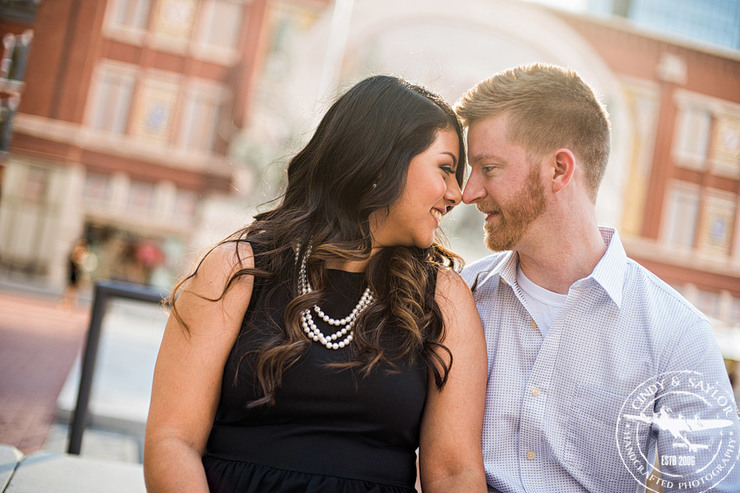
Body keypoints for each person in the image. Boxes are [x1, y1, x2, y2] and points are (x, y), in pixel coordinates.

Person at [144, 75, 488, 493]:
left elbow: (455, 473)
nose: (457, 194)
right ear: (381, 163)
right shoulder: (237, 270)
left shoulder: (443, 297)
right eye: (446, 168)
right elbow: (172, 442)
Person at [455, 63, 740, 493]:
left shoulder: (677, 334)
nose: (468, 191)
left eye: (489, 168)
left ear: (559, 170)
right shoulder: (461, 296)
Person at [62, 238, 88, 309]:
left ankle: (69, 302)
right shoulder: (79, 251)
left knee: (72, 288)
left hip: (75, 272)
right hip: (74, 272)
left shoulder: (78, 251)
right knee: (72, 288)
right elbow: (77, 262)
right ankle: (68, 302)